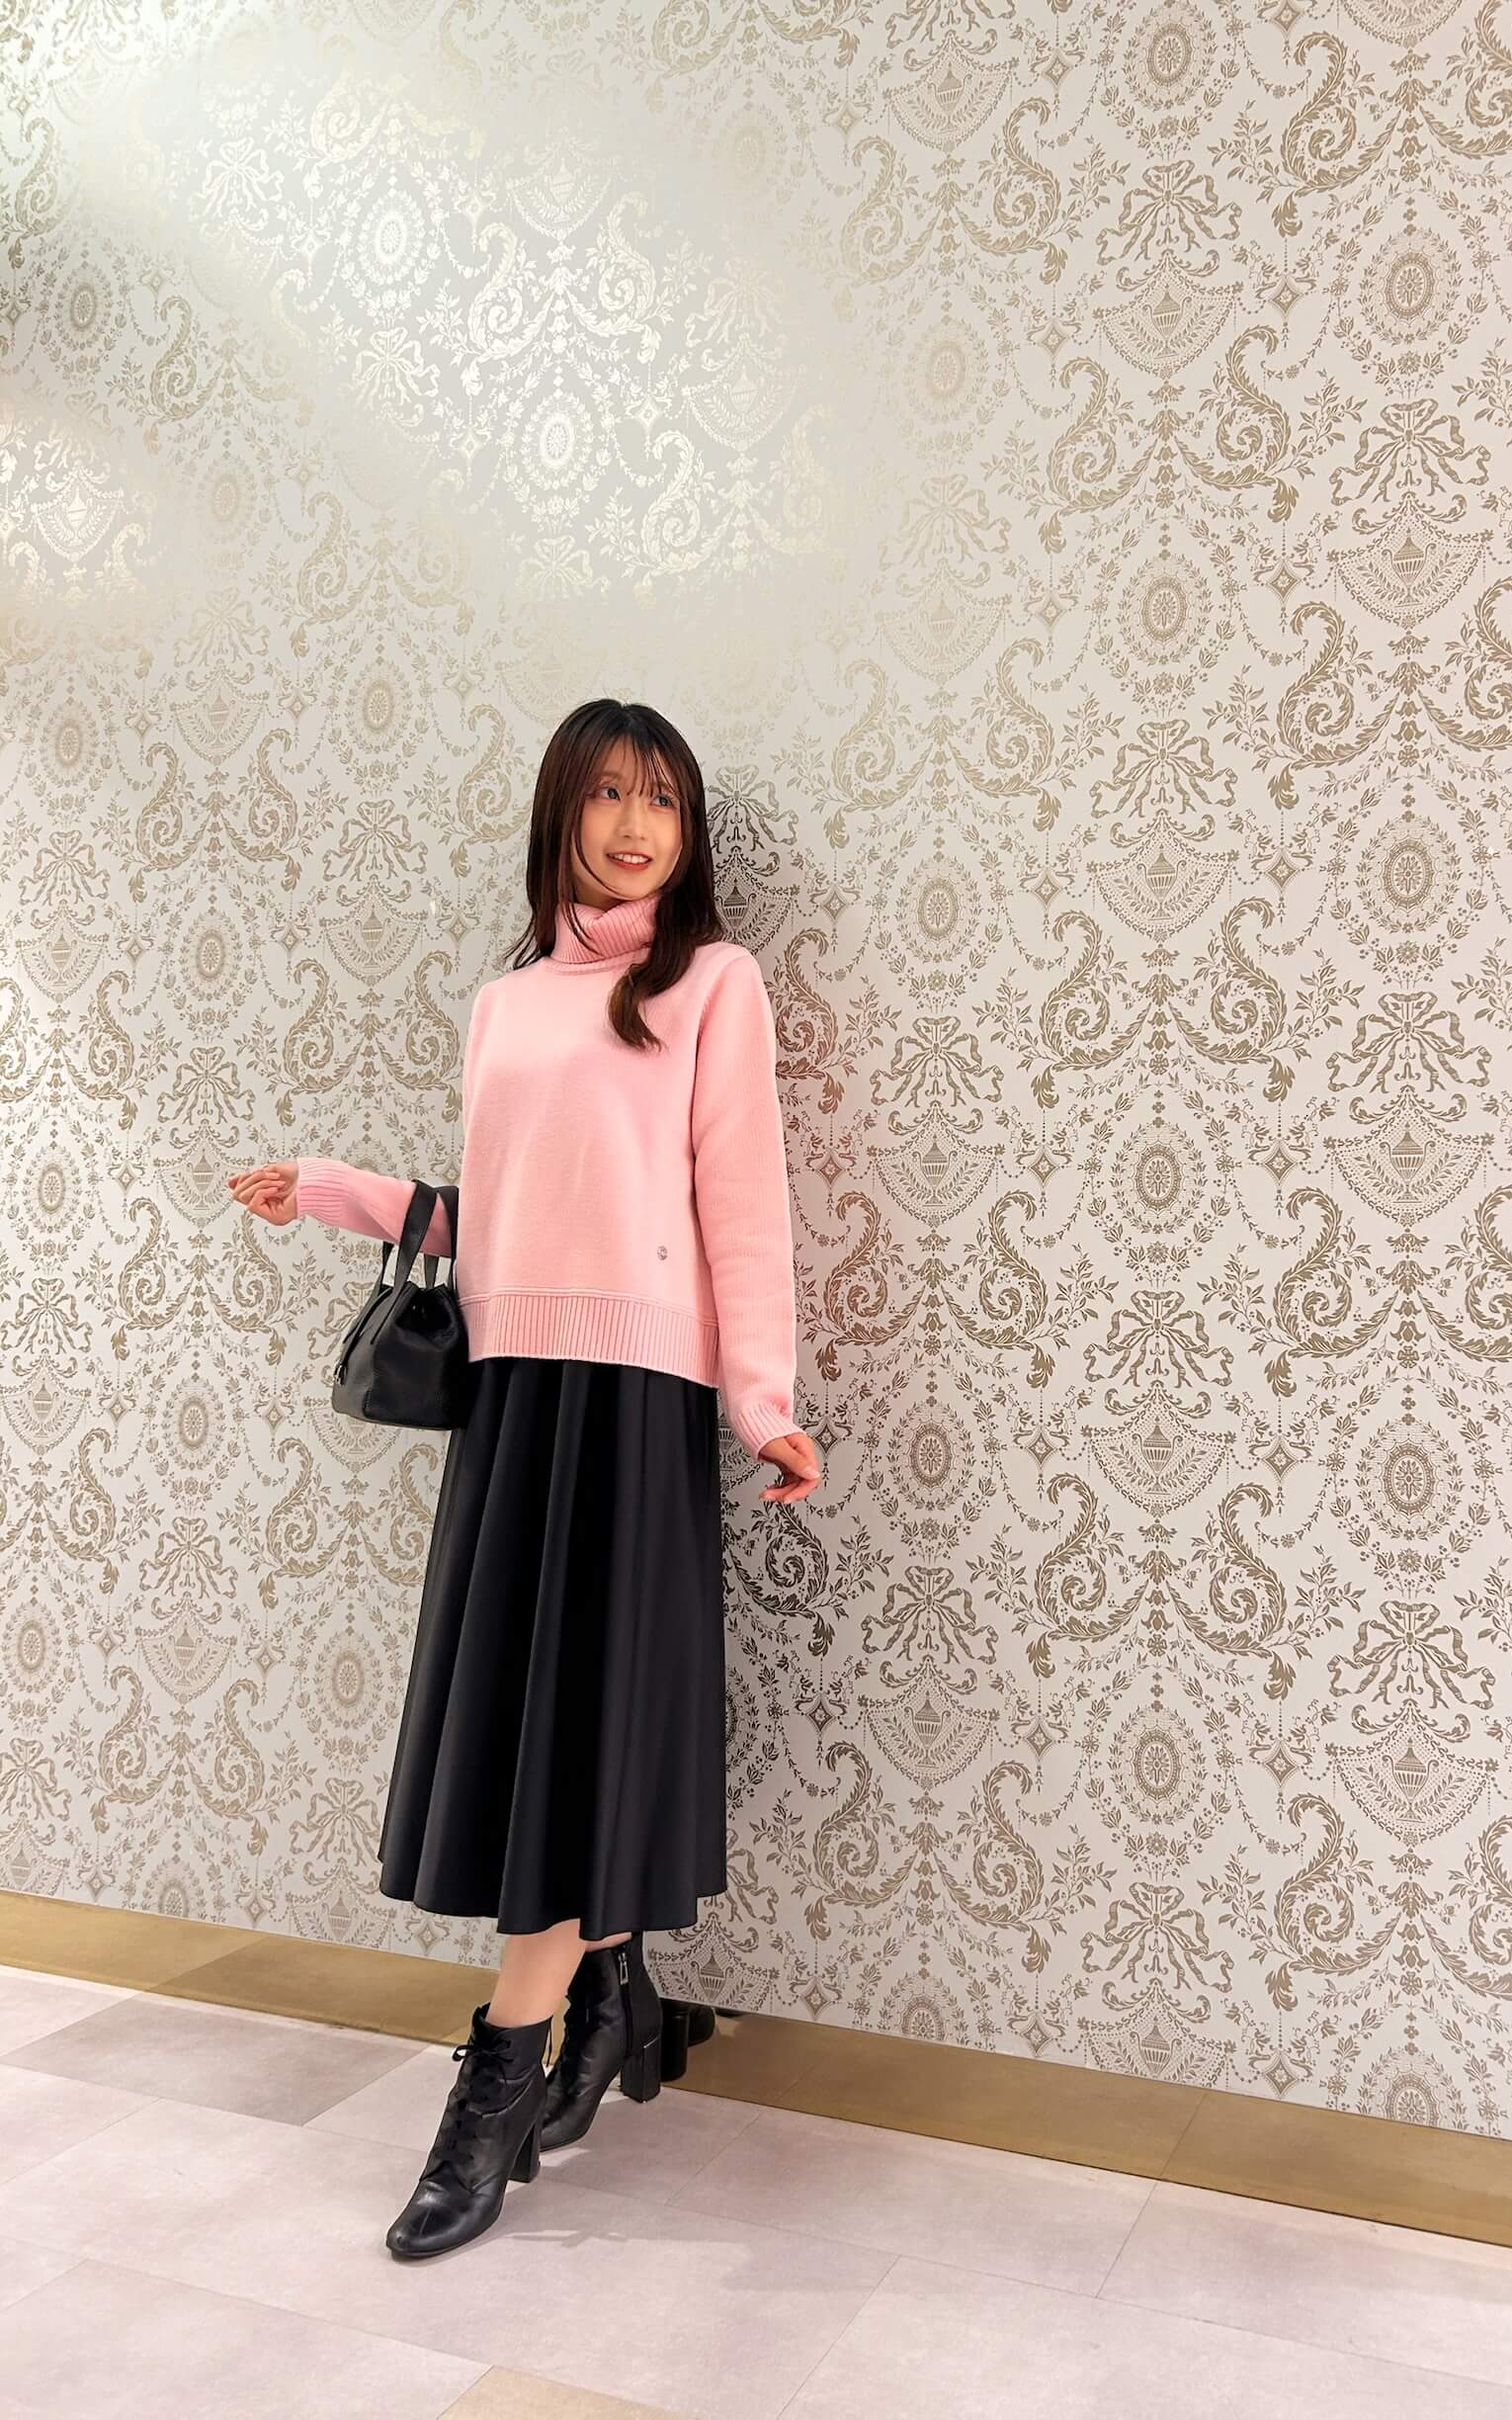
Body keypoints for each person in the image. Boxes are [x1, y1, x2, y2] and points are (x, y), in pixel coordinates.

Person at [228, 698, 821, 2260]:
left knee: (576, 1739)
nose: (635, 825)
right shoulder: (506, 1003)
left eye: (664, 801)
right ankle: (613, 1996)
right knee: (541, 1732)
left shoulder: (711, 982)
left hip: (635, 1399)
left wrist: (763, 1399)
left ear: (689, 832)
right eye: (610, 794)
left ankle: (494, 2086)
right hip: (513, 1396)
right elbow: (504, 1208)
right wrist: (339, 1193)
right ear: (563, 811)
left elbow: (742, 1199)